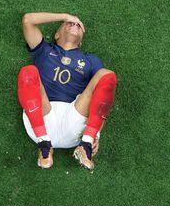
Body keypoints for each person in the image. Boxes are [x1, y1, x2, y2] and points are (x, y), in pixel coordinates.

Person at [18, 12, 117, 170]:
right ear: (56, 34)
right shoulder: (43, 50)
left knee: (107, 75)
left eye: (79, 25)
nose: (75, 24)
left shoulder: (91, 60)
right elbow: (28, 20)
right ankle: (44, 146)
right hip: (41, 116)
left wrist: (96, 133)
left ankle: (86, 145)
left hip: (75, 122)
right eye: (70, 23)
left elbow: (104, 93)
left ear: (81, 41)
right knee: (28, 72)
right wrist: (65, 16)